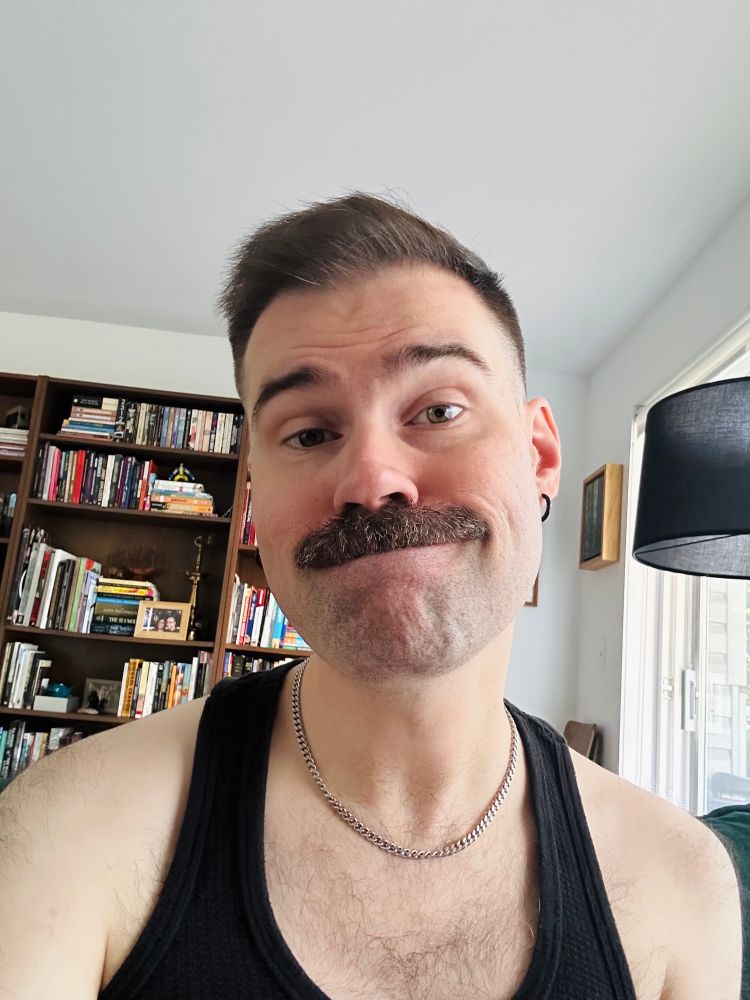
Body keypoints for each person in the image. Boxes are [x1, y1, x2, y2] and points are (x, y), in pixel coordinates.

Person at [0, 194, 741, 999]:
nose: (372, 480)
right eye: (310, 433)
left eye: (438, 409)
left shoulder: (681, 882)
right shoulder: (65, 834)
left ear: (538, 455)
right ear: (255, 498)